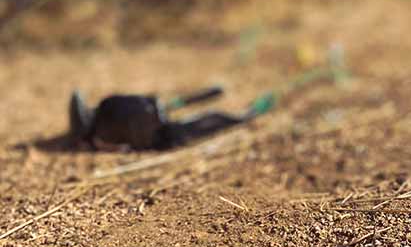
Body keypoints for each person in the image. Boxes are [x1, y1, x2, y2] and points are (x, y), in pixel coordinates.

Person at [68, 87, 273, 151]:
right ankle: (245, 116)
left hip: (156, 121)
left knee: (206, 119)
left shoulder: (107, 109)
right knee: (207, 120)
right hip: (161, 132)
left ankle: (243, 114)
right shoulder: (107, 115)